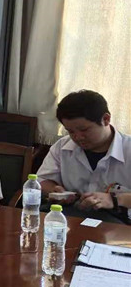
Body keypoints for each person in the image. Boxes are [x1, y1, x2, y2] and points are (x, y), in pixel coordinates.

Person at [38, 90, 131, 223]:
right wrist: (55, 191)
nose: (78, 137)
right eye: (70, 131)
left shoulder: (128, 149)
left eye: (84, 130)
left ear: (106, 119)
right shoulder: (62, 147)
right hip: (71, 218)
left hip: (121, 225)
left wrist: (115, 200)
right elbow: (43, 180)